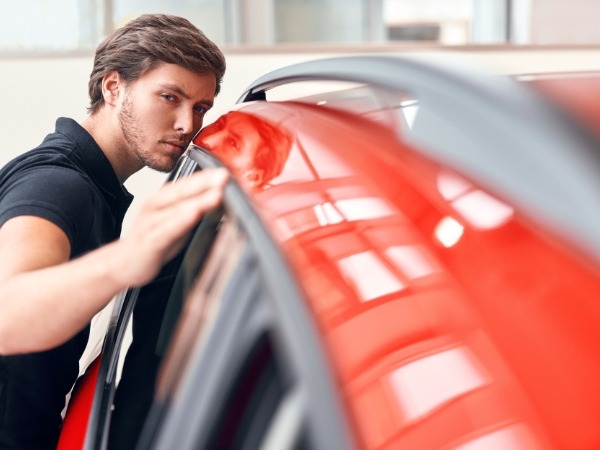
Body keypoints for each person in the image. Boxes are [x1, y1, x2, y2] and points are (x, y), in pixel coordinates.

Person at [0, 13, 227, 449]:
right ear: (113, 87)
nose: (187, 124)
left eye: (200, 107)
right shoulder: (58, 185)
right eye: (169, 97)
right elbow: (9, 317)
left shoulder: (90, 181)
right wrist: (130, 259)